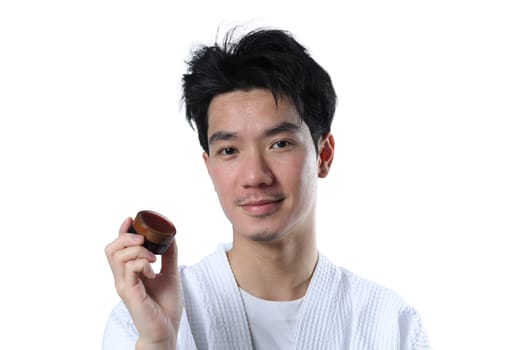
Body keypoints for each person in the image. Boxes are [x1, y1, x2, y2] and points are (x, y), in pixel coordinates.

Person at [103, 26, 431, 350]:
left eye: (279, 143)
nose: (255, 175)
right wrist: (158, 342)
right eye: (229, 150)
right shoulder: (140, 317)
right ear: (209, 168)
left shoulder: (391, 324)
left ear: (324, 155)